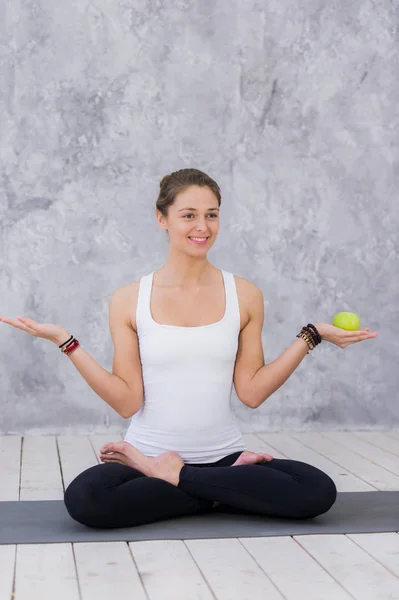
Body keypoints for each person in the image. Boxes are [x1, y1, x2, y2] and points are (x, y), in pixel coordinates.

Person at [0, 168, 378, 529]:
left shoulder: (244, 295)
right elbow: (127, 402)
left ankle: (177, 478)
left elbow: (252, 392)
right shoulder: (129, 299)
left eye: (211, 215)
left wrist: (312, 335)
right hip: (145, 455)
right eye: (189, 215)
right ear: (162, 219)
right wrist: (66, 342)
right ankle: (219, 489)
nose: (202, 227)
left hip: (225, 456)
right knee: (87, 498)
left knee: (317, 491)